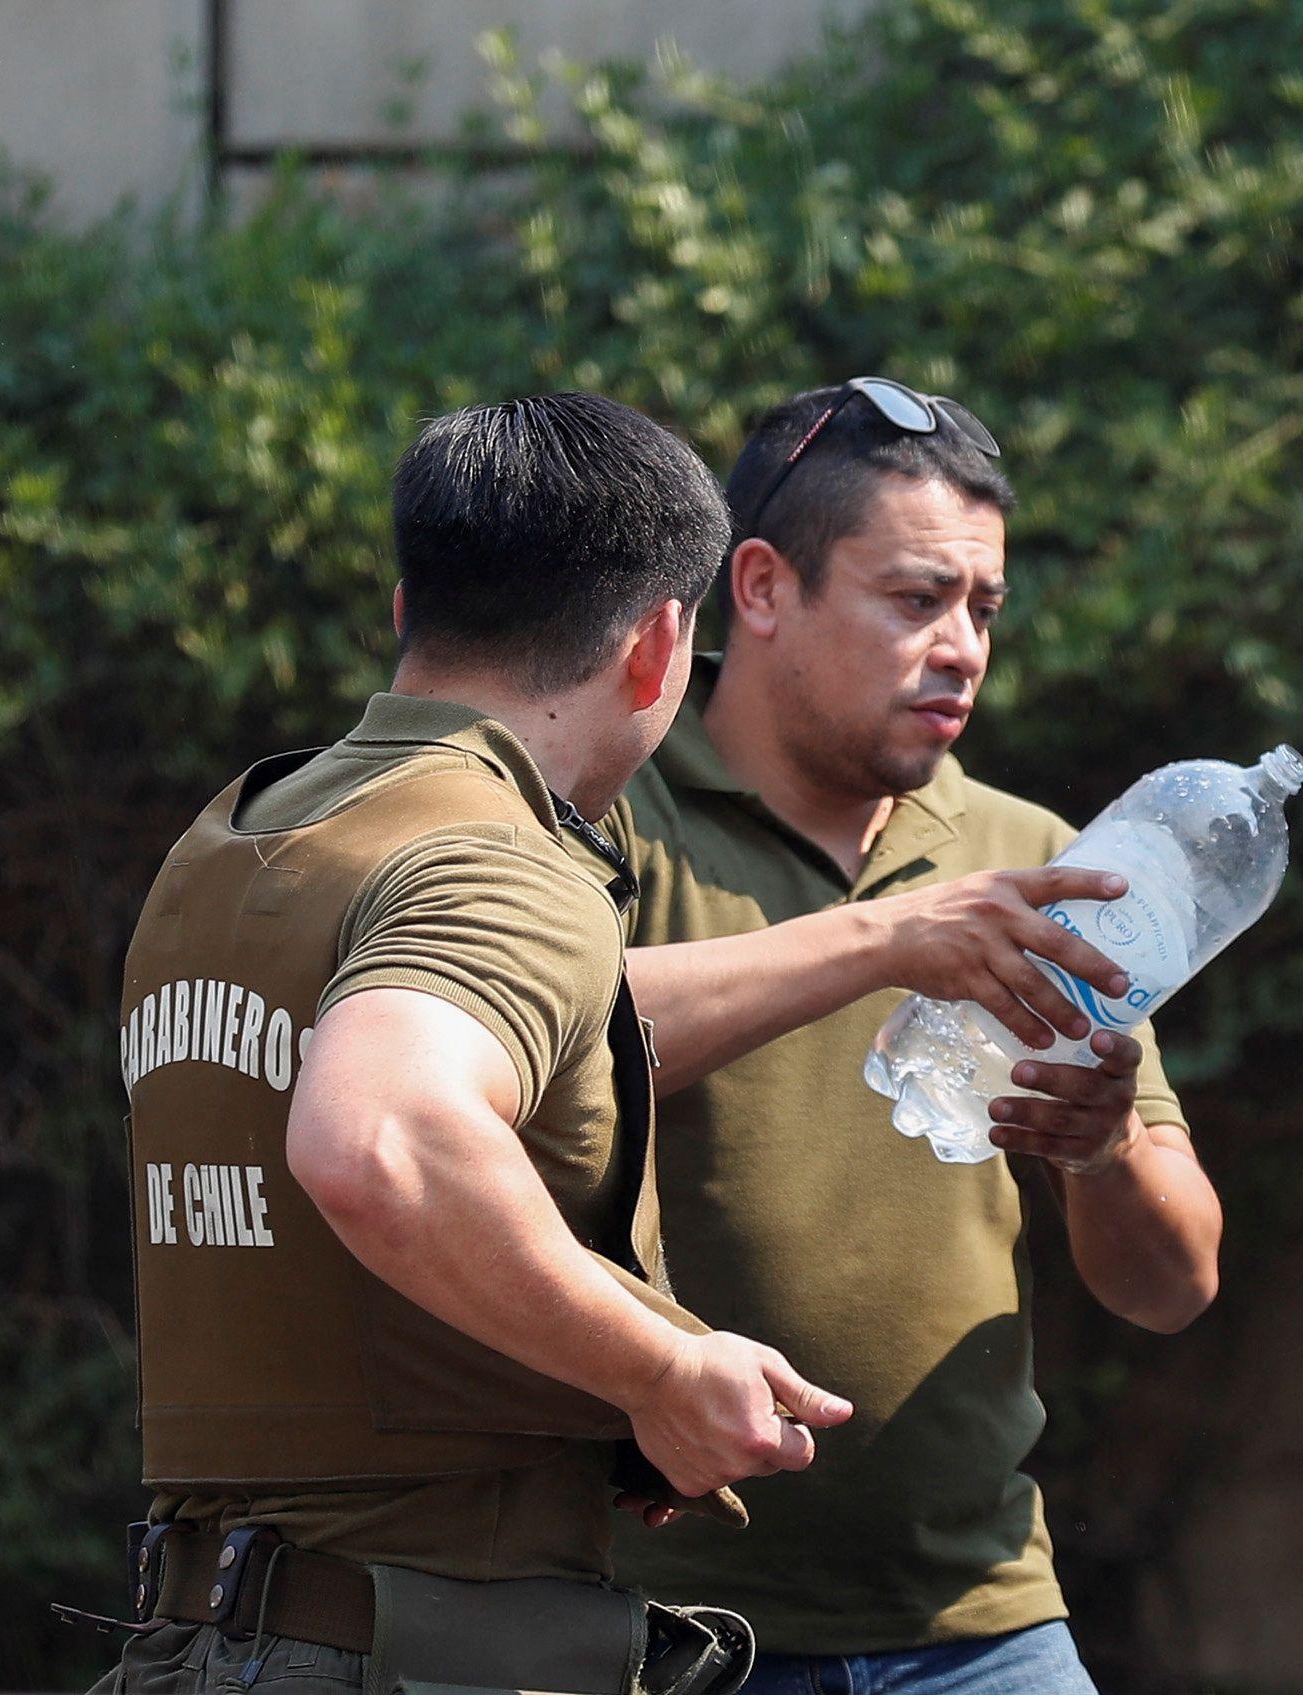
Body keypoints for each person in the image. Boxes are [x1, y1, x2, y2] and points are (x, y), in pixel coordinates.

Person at [108, 394, 845, 1695]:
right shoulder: (501, 863)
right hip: (412, 1653)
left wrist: (890, 942)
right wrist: (660, 1367)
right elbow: (384, 1136)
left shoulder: (235, 846)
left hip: (208, 1642)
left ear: (409, 613)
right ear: (661, 646)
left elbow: (554, 1038)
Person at [610, 380, 1224, 1695]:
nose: (961, 648)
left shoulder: (1031, 861)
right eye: (916, 599)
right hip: (661, 1622)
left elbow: (1171, 1288)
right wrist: (883, 944)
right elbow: (537, 1049)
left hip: (982, 1622)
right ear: (764, 589)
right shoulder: (608, 815)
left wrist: (1108, 1144)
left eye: (983, 609)